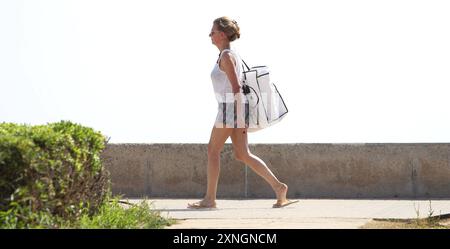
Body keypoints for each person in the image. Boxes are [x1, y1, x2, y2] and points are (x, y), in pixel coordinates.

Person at [187, 17, 298, 209]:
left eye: (212, 32)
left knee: (213, 150)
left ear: (222, 35)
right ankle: (279, 188)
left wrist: (239, 120)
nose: (210, 35)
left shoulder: (226, 57)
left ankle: (209, 199)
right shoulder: (229, 55)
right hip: (235, 108)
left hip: (231, 108)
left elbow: (236, 88)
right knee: (243, 154)